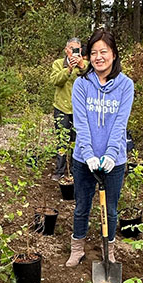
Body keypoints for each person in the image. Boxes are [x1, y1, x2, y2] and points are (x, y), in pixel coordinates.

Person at [65, 29, 134, 267]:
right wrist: (88, 154)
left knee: (111, 209)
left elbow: (120, 123)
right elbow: (81, 123)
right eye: (93, 52)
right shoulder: (81, 84)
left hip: (114, 161)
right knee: (82, 206)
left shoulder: (126, 85)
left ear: (113, 54)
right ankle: (77, 248)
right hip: (84, 160)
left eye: (103, 51)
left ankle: (109, 250)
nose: (98, 57)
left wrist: (112, 154)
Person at [50, 38, 88, 181]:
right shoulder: (58, 64)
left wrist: (81, 66)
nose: (74, 52)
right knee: (62, 140)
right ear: (66, 50)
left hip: (79, 110)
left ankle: (74, 170)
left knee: (77, 140)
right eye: (72, 49)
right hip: (62, 108)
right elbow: (55, 81)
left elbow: (92, 79)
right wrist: (69, 69)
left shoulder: (85, 65)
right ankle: (59, 171)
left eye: (77, 49)